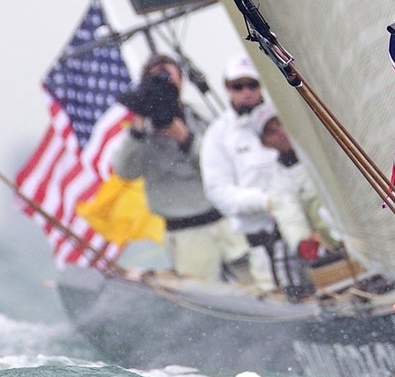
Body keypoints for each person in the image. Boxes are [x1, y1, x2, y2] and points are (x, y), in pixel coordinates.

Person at [112, 54, 252, 283]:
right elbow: (126, 171)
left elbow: (223, 166)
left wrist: (186, 139)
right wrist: (138, 129)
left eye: (169, 75)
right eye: (156, 77)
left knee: (256, 285)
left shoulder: (198, 118)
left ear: (181, 81)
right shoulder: (142, 133)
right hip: (186, 233)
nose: (164, 83)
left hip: (223, 221)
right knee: (208, 295)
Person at [200, 53, 281, 290]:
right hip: (264, 247)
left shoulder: (284, 117)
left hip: (312, 237)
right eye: (238, 86)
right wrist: (266, 202)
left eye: (252, 84)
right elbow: (217, 191)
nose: (246, 91)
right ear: (227, 87)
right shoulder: (217, 135)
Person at [249, 102, 343, 257]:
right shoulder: (280, 184)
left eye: (281, 122)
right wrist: (303, 244)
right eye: (271, 131)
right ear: (264, 144)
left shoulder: (329, 145)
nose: (281, 131)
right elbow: (290, 219)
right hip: (340, 247)